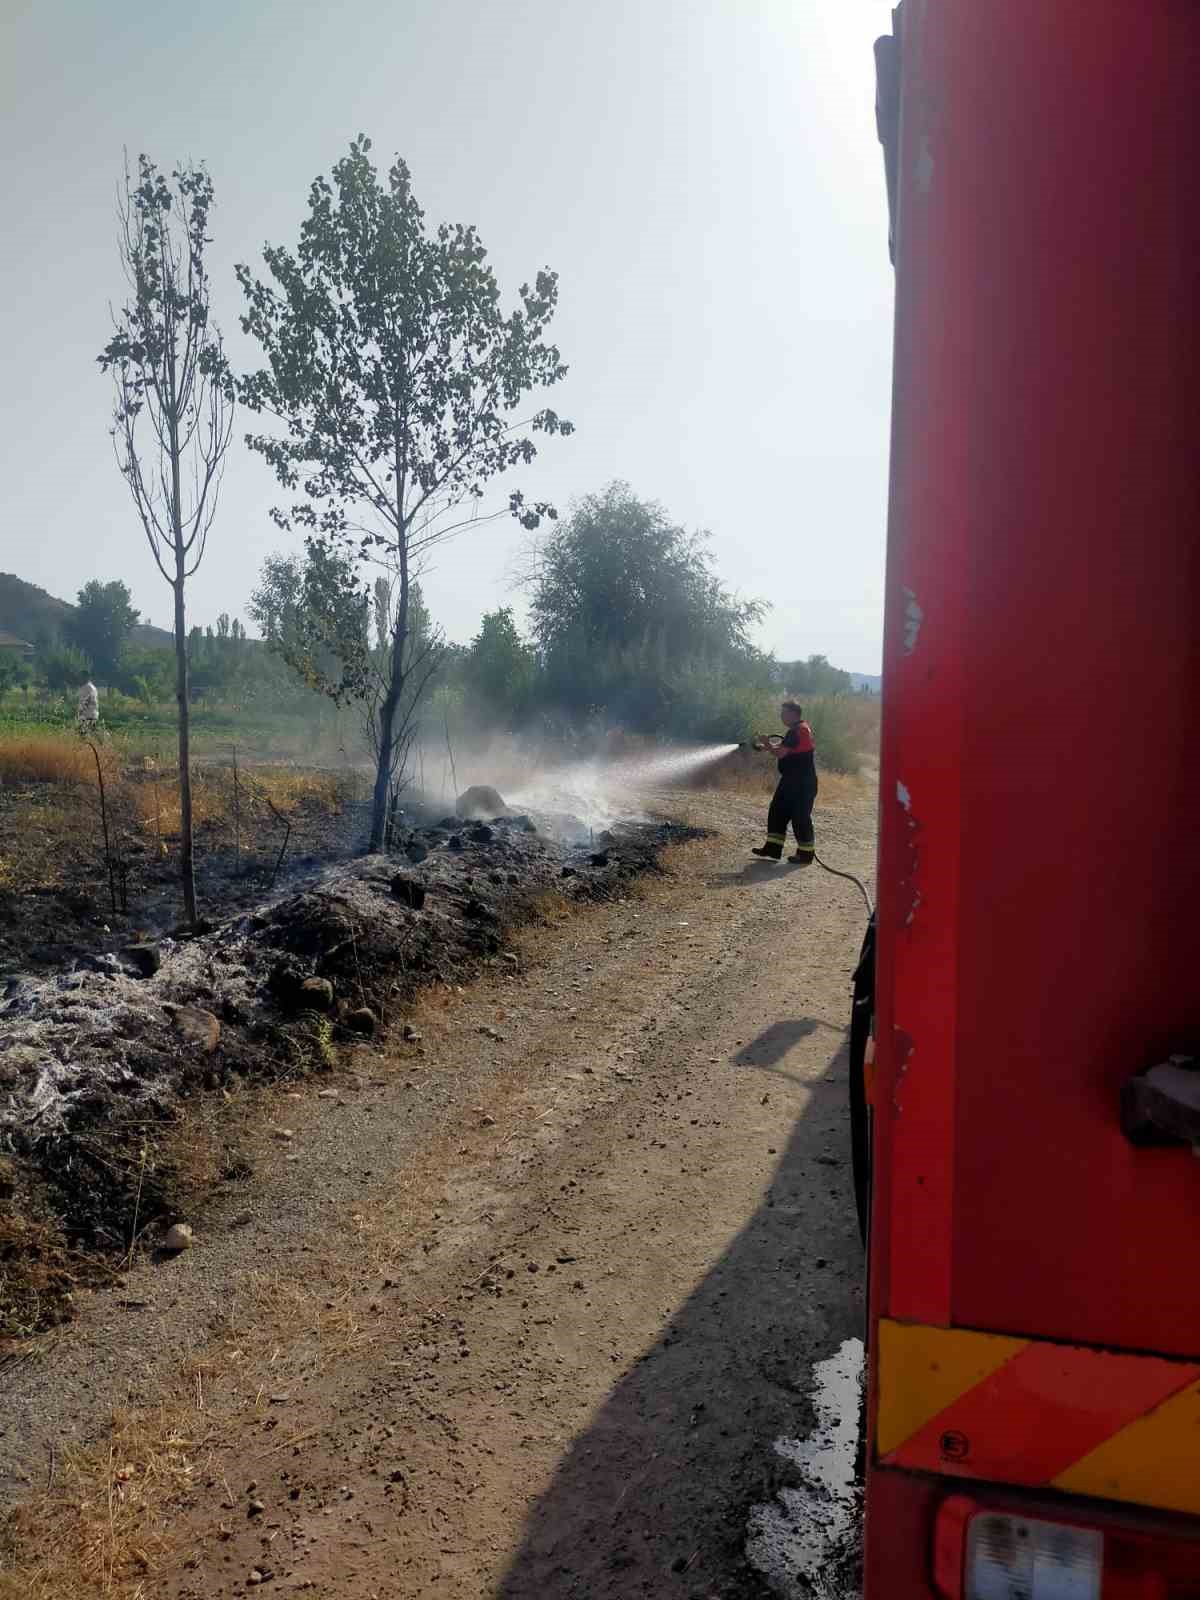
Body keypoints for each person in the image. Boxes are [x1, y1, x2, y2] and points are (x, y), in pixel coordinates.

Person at [751, 699, 817, 864]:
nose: (781, 716)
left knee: (800, 817)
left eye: (783, 713)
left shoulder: (797, 731)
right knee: (777, 812)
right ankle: (773, 848)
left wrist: (766, 743)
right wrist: (766, 746)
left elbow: (781, 754)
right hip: (791, 781)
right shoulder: (798, 730)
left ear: (793, 714)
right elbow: (784, 749)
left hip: (801, 783)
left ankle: (806, 854)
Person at [76, 673, 100, 737]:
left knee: (83, 732)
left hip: (88, 714)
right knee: (90, 731)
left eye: (81, 677)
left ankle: (102, 742)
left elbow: (88, 700)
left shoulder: (88, 687)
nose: (79, 679)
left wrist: (81, 709)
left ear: (86, 677)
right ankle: (101, 742)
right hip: (90, 713)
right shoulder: (90, 687)